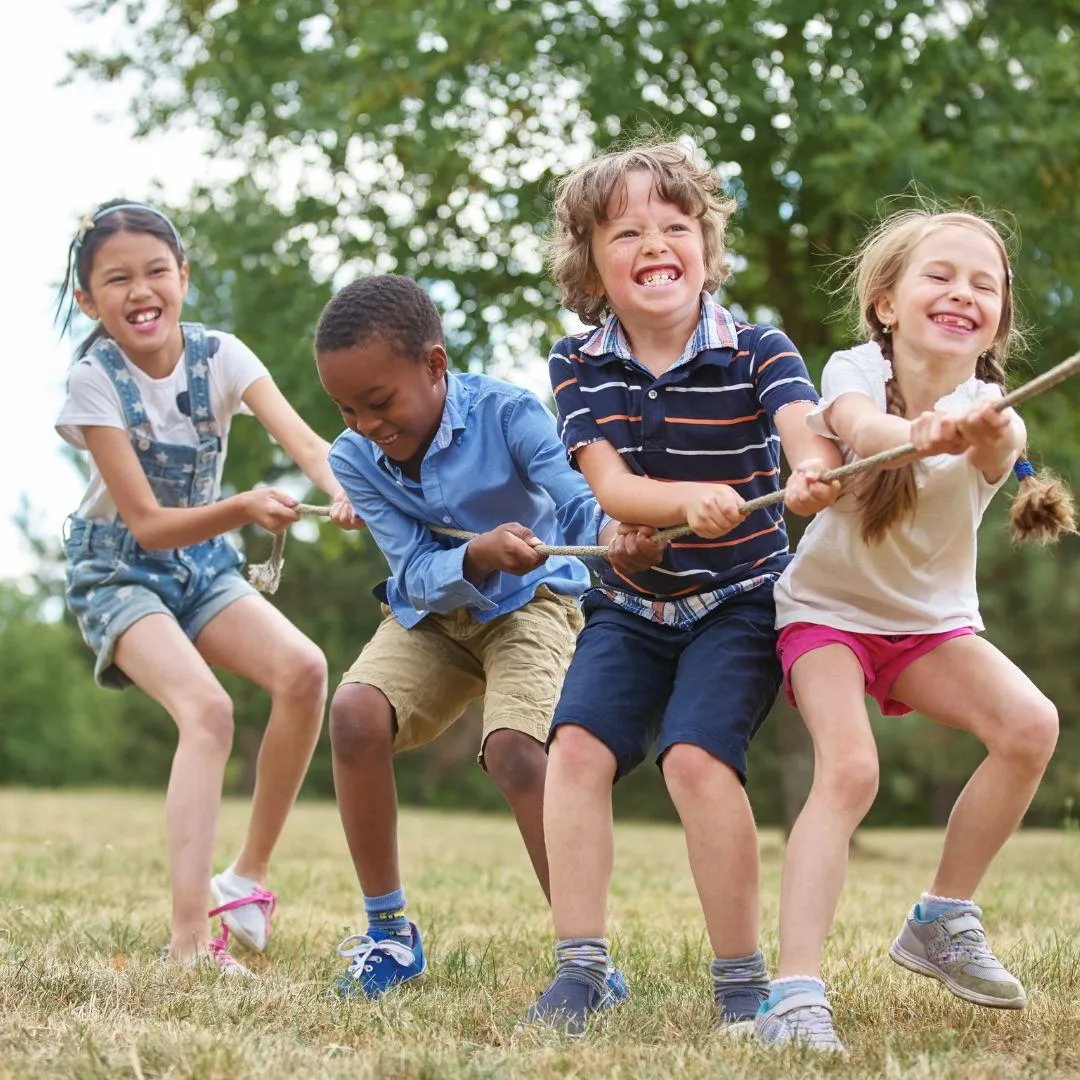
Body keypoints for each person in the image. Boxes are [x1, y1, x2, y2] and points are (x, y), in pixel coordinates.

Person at [526, 140, 841, 1035]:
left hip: (739, 600)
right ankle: (580, 968)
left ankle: (741, 982)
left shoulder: (757, 346)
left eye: (674, 225)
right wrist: (684, 501)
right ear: (590, 262)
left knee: (697, 762)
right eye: (626, 232)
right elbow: (612, 486)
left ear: (705, 244)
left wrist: (815, 467)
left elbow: (802, 427)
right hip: (629, 607)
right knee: (576, 753)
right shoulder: (578, 360)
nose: (654, 243)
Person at [758, 208, 1074, 1053]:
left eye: (986, 285)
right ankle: (791, 996)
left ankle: (941, 917)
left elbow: (999, 441)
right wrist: (913, 434)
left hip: (929, 628)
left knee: (1029, 725)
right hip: (826, 616)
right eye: (941, 275)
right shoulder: (854, 367)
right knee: (851, 769)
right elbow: (860, 428)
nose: (963, 293)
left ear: (1000, 319)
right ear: (888, 301)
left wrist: (977, 430)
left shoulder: (993, 409)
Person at [313, 273, 656, 999]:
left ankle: (585, 960)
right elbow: (409, 572)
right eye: (346, 408)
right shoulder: (352, 459)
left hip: (533, 604)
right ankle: (389, 934)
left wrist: (616, 535)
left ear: (435, 366)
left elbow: (576, 498)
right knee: (353, 714)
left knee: (517, 752)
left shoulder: (510, 413)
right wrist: (475, 554)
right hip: (435, 615)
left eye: (380, 402)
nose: (367, 423)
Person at [55, 199, 358, 974]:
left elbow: (307, 442)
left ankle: (245, 881)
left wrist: (345, 487)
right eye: (116, 279)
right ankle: (189, 941)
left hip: (202, 565)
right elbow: (150, 523)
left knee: (304, 670)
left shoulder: (222, 356)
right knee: (209, 711)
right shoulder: (93, 384)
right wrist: (246, 504)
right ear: (89, 300)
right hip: (119, 567)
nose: (140, 289)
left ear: (183, 278)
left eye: (156, 270)